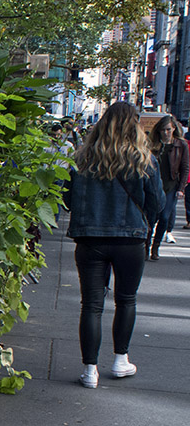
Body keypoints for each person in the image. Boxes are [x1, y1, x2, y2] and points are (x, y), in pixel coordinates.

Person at [63, 102, 164, 389]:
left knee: (92, 305)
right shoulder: (144, 160)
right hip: (130, 239)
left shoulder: (83, 158)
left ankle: (89, 370)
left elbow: (68, 200)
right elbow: (157, 203)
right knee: (126, 299)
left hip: (90, 239)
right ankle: (121, 360)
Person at [147, 115, 189, 258]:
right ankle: (146, 245)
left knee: (165, 217)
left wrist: (181, 188)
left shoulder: (181, 145)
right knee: (151, 218)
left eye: (168, 130)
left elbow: (185, 167)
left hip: (171, 185)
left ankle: (156, 247)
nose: (166, 133)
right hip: (154, 186)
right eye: (163, 130)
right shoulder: (153, 145)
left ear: (173, 129)